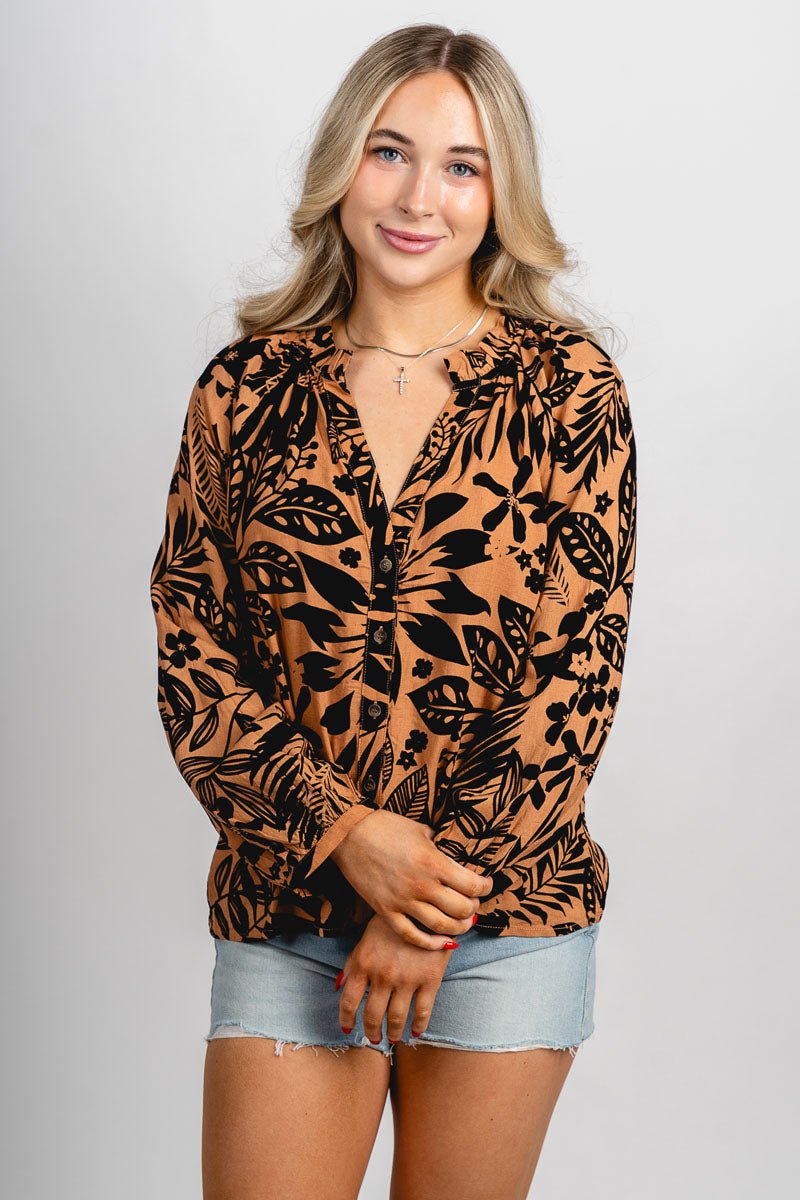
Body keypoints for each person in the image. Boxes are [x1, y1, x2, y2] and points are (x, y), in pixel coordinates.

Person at [148, 21, 638, 1200]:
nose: (420, 197)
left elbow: (572, 678)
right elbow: (194, 654)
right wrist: (343, 834)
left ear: (500, 192)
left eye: (462, 165)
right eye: (390, 152)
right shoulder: (244, 391)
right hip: (288, 910)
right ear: (342, 165)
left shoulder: (568, 391)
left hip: (504, 922)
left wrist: (424, 910)